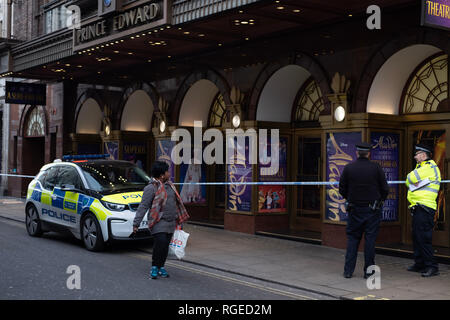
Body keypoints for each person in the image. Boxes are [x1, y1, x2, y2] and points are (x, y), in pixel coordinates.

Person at [339, 142, 389, 279]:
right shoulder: (376, 168)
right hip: (372, 210)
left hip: (354, 210)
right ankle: (369, 272)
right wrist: (379, 201)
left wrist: (349, 198)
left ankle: (348, 271)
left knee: (353, 240)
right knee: (370, 241)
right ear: (369, 154)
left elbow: (342, 188)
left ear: (357, 153)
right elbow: (385, 189)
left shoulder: (349, 168)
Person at [133, 161, 190, 279]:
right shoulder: (151, 188)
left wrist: (179, 220)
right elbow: (143, 206)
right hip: (158, 221)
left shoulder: (170, 186)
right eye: (167, 171)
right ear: (162, 175)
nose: (170, 173)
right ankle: (154, 266)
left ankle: (161, 266)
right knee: (161, 242)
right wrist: (136, 223)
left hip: (171, 221)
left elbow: (176, 203)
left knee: (165, 246)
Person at [405, 143, 441, 277]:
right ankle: (419, 264)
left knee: (424, 238)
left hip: (425, 207)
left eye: (416, 154)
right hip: (419, 207)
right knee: (416, 236)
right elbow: (408, 182)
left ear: (423, 155)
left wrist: (411, 179)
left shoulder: (429, 167)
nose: (415, 157)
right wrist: (410, 180)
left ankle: (432, 267)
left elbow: (409, 178)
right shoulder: (421, 167)